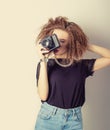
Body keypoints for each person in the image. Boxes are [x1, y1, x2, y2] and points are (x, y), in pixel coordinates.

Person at [34, 16, 110, 130]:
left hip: (74, 119)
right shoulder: (45, 64)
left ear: (71, 43)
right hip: (49, 117)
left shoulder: (81, 65)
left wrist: (84, 44)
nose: (57, 44)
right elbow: (43, 96)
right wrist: (43, 60)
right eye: (54, 39)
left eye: (62, 41)